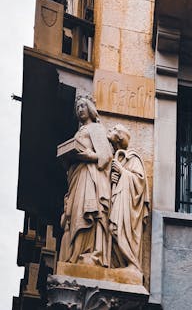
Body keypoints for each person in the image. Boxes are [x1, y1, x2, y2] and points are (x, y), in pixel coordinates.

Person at [59, 96, 113, 267]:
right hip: (77, 176)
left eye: (83, 106)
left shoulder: (96, 128)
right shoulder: (80, 132)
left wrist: (90, 156)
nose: (80, 109)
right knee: (74, 214)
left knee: (86, 212)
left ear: (90, 108)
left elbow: (106, 156)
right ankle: (75, 254)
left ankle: (87, 252)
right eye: (77, 107)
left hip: (90, 176)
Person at [107, 124, 150, 275]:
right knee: (113, 229)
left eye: (112, 129)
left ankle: (132, 263)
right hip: (118, 199)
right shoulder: (115, 157)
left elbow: (140, 180)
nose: (109, 130)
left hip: (129, 207)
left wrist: (122, 172)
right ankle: (119, 264)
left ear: (119, 136)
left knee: (117, 230)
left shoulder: (132, 157)